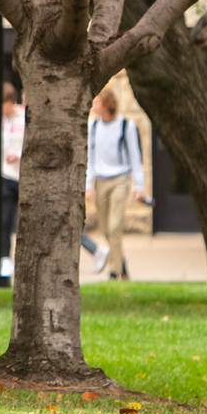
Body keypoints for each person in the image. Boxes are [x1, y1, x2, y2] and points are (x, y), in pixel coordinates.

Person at [85, 83, 147, 281]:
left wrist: (139, 185)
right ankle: (122, 261)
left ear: (106, 104)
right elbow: (90, 159)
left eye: (97, 101)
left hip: (120, 179)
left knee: (115, 227)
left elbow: (135, 158)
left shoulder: (125, 125)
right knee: (104, 228)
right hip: (100, 181)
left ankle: (114, 271)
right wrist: (88, 185)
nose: (94, 105)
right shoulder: (93, 126)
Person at [0, 80, 24, 281]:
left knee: (25, 220)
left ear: (9, 102)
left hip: (22, 175)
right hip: (4, 174)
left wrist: (19, 155)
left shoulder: (25, 117)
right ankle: (5, 258)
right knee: (4, 219)